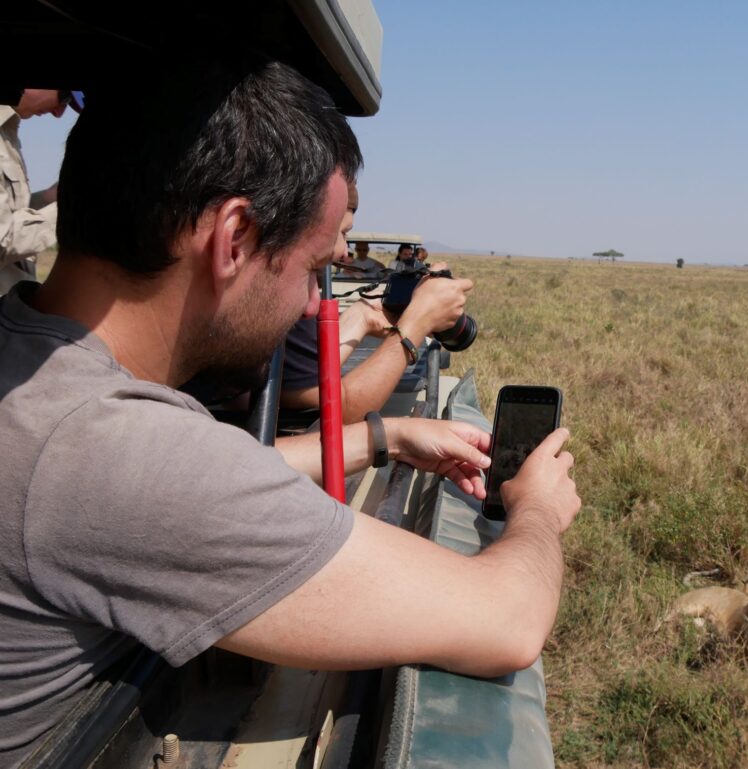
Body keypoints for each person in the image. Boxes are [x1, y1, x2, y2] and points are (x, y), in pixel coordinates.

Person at [0, 58, 579, 763]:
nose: (314, 305)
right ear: (235, 239)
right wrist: (538, 510)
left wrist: (382, 435)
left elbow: (173, 489)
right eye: (312, 269)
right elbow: (506, 619)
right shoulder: (117, 452)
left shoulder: (33, 366)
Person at [280, 186, 471, 415]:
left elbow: (308, 370)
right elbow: (341, 412)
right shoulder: (283, 298)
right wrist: (415, 324)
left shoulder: (281, 292)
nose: (344, 252)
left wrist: (363, 315)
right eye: (342, 233)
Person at [0, 89, 70, 294]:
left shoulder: (7, 133)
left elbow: (9, 216)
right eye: (64, 96)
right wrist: (74, 206)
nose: (59, 113)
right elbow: (3, 239)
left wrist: (50, 198)